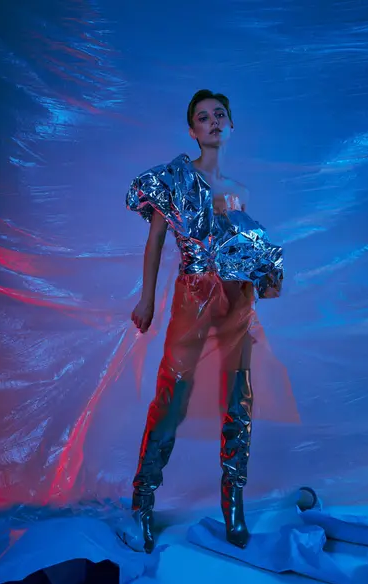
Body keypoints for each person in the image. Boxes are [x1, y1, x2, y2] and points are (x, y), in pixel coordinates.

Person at [125, 89, 283, 553]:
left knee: (239, 399)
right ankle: (143, 500)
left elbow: (245, 249)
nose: (213, 122)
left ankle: (233, 504)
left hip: (236, 299)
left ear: (231, 125)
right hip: (192, 295)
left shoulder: (241, 191)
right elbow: (155, 242)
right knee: (172, 397)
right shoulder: (175, 178)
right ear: (192, 130)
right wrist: (146, 299)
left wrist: (267, 273)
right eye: (203, 117)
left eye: (220, 115)